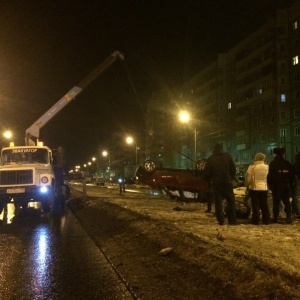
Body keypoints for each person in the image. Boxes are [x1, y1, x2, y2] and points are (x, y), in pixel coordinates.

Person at [204, 143, 238, 225]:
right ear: (222, 148)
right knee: (231, 201)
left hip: (216, 183)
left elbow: (207, 173)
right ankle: (232, 220)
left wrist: (210, 180)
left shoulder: (211, 159)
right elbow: (233, 169)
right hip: (227, 182)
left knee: (218, 202)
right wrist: (230, 177)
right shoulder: (228, 157)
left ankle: (221, 220)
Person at [267, 148, 295, 224]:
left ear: (275, 154)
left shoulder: (273, 164)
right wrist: (290, 183)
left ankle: (275, 217)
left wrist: (270, 185)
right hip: (286, 186)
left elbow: (270, 176)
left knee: (276, 202)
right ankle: (288, 217)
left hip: (276, 186)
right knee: (287, 202)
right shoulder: (287, 163)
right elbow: (292, 175)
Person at [245, 153, 270, 225]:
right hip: (264, 187)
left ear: (256, 158)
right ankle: (266, 220)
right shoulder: (267, 167)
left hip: (254, 188)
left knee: (255, 204)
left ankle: (256, 220)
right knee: (264, 204)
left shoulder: (252, 167)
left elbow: (248, 177)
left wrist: (247, 185)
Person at [292, 151, 300, 219]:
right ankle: (294, 211)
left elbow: (295, 170)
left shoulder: (297, 160)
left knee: (295, 196)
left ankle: (297, 212)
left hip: (298, 179)